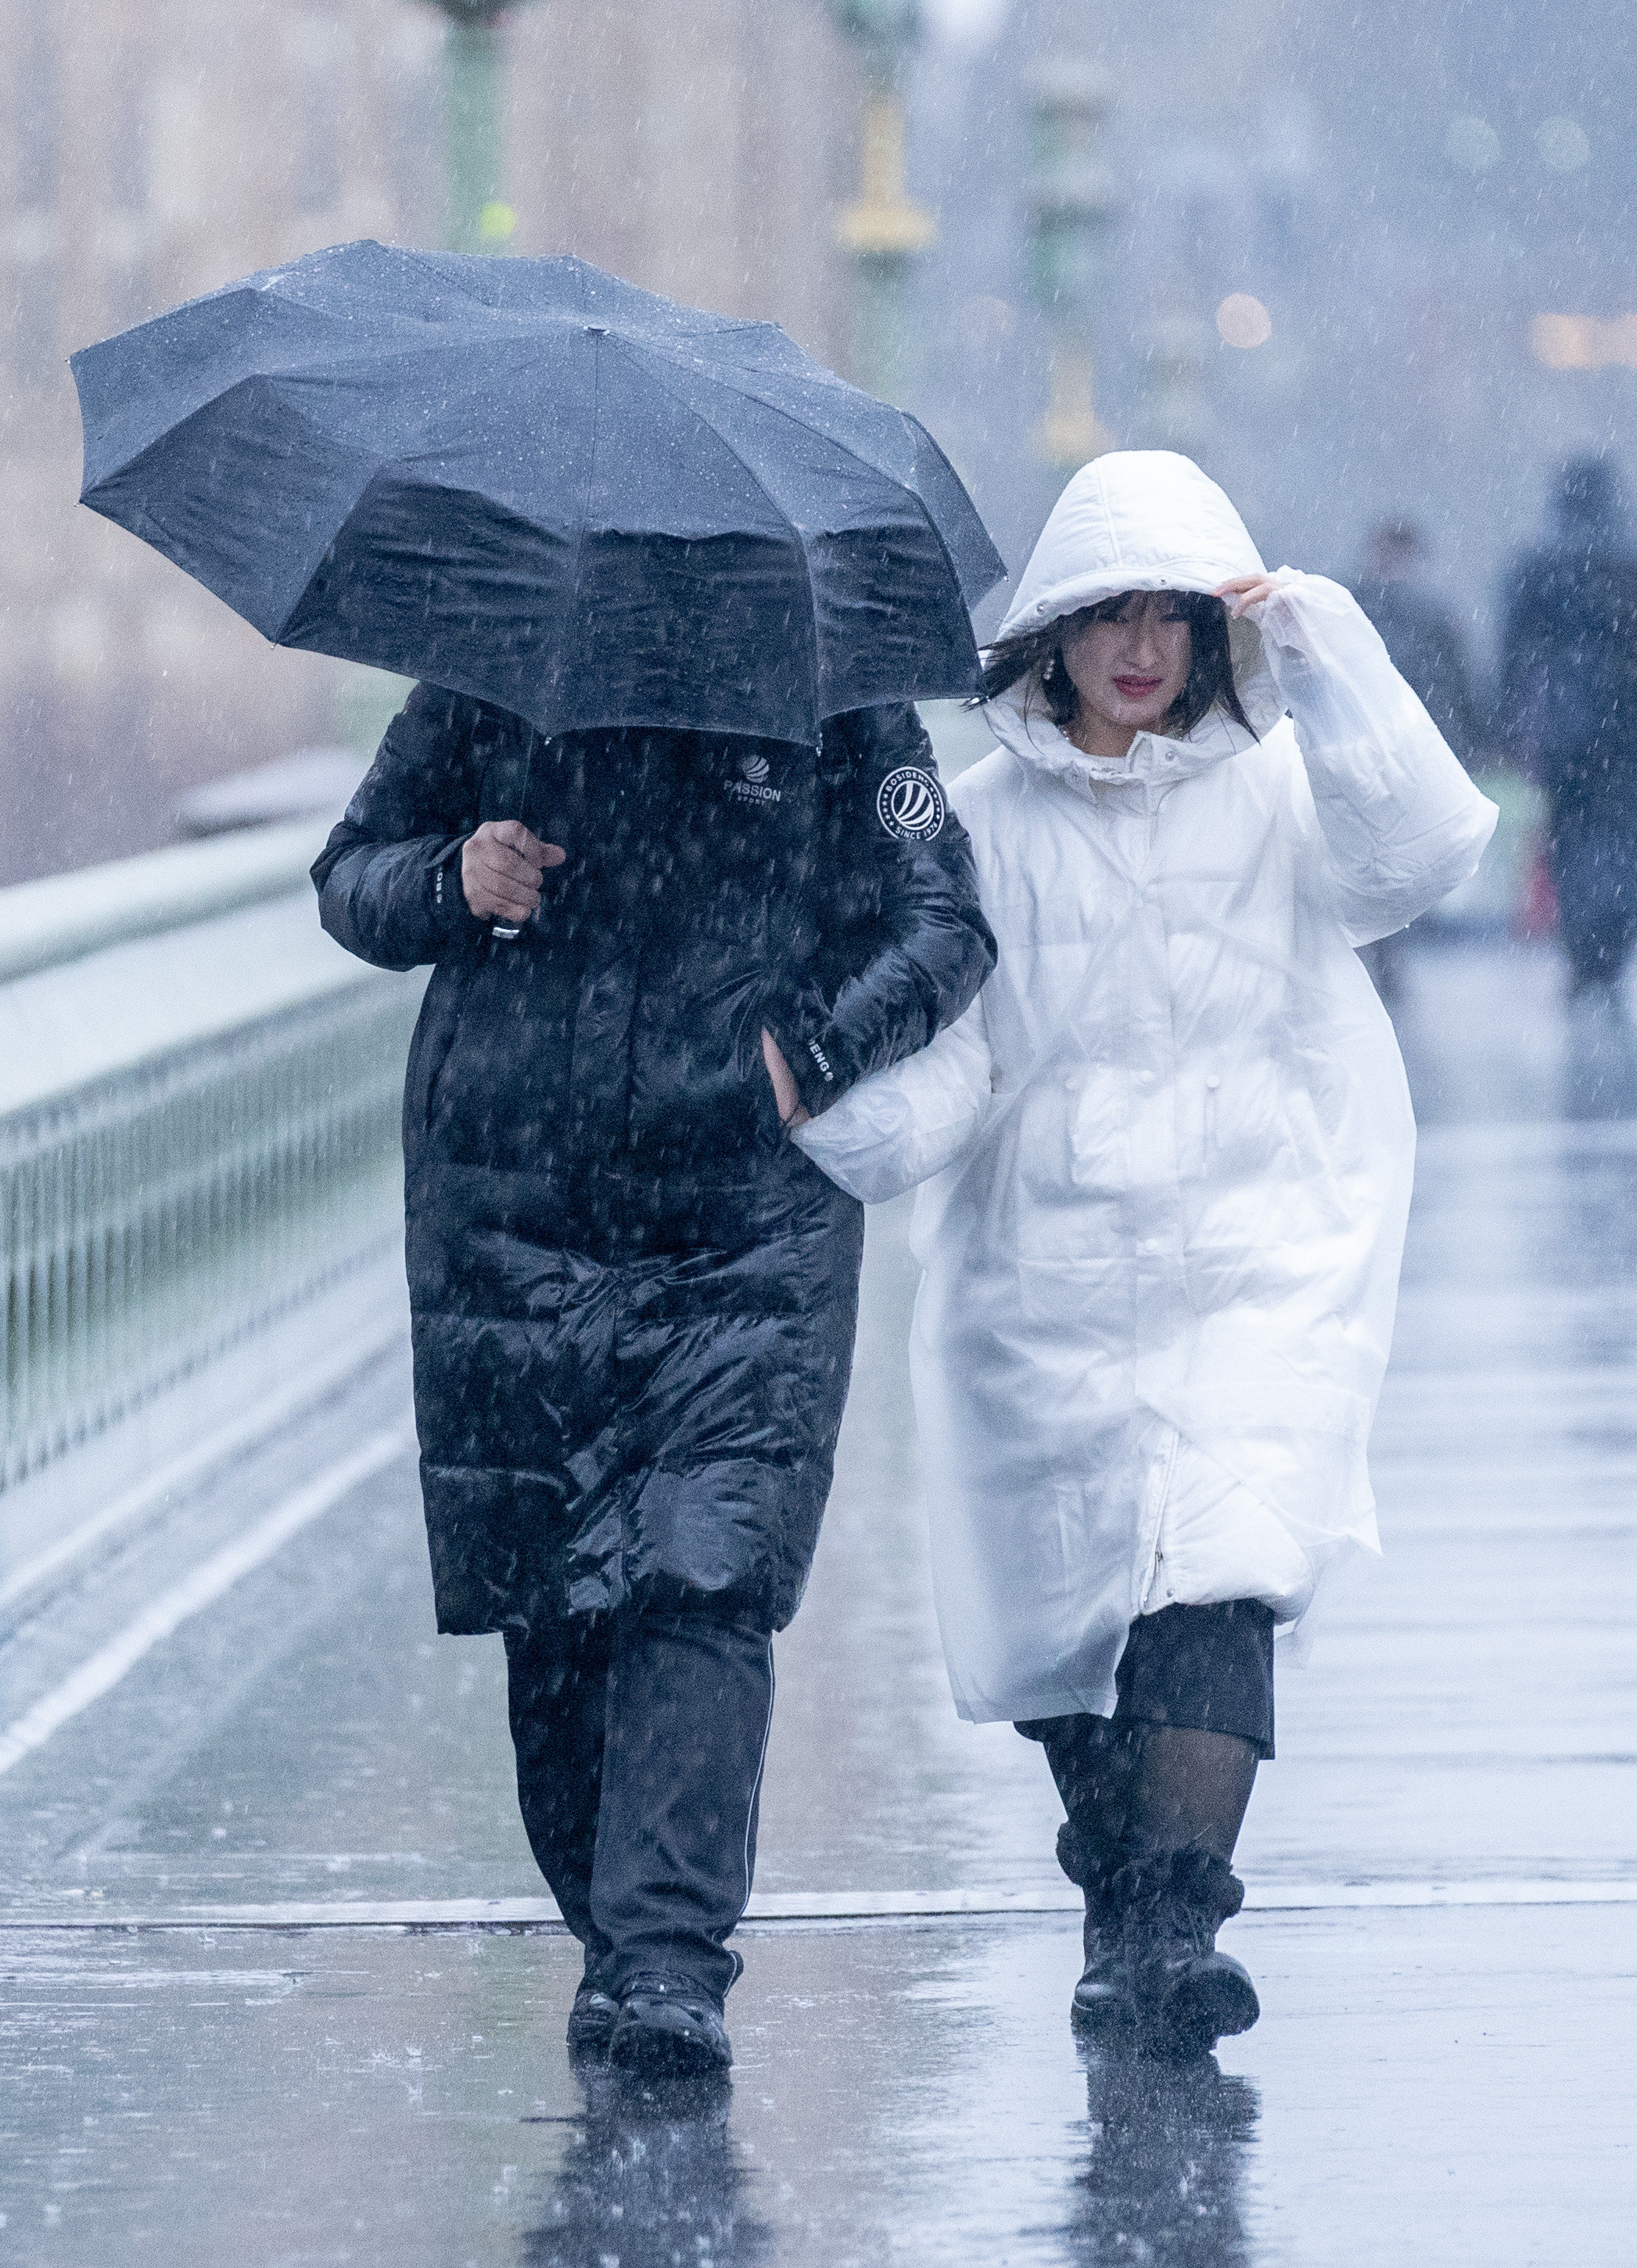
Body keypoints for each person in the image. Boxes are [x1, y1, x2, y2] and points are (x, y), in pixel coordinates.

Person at [796, 451, 1495, 2055]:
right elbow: (945, 1058)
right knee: (1067, 1639)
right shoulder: (974, 830)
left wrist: (1325, 647)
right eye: (1100, 615)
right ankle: (1120, 1882)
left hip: (1253, 1270)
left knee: (1219, 1579)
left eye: (1164, 617)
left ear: (1206, 636)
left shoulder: (1281, 797)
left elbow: (1421, 854)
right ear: (1044, 637)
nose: (1133, 646)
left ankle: (1174, 1921)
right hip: (1034, 1290)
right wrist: (813, 1112)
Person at [312, 694, 995, 2075]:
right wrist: (455, 878)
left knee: (703, 1568)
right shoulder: (491, 672)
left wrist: (800, 1052)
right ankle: (613, 1940)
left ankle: (670, 1959)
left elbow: (943, 925)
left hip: (743, 1218)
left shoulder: (838, 695)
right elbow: (351, 878)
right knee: (551, 1599)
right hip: (511, 1204)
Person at [1499, 457, 1637, 1000]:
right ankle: (1611, 949)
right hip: (1625, 726)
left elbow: (1514, 657)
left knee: (1568, 837)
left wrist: (1507, 725)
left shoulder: (1535, 567)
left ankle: (1582, 950)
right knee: (1623, 839)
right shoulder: (1627, 565)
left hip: (1562, 725)